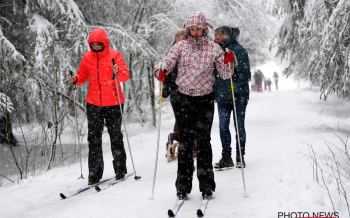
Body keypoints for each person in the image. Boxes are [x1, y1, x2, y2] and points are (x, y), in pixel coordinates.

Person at [155, 12, 234, 200]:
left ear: (204, 29)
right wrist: (162, 70)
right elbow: (168, 61)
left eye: (199, 29)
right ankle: (182, 186)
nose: (196, 32)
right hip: (184, 99)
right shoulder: (181, 46)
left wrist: (228, 62)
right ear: (188, 29)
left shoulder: (214, 48)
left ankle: (206, 185)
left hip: (205, 100)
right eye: (192, 29)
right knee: (186, 143)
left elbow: (224, 74)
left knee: (204, 142)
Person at [71, 27, 130, 185]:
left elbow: (125, 75)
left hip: (114, 102)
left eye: (99, 44)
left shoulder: (114, 56)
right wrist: (76, 79)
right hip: (94, 104)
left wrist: (118, 71)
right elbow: (82, 75)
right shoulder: (87, 58)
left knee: (115, 136)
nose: (96, 47)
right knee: (93, 138)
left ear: (105, 43)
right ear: (90, 44)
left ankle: (120, 168)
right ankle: (94, 173)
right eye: (93, 45)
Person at [214, 26, 251, 169]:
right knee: (223, 127)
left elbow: (246, 74)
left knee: (239, 125)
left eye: (219, 35)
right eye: (215, 35)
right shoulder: (215, 51)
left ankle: (240, 156)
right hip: (222, 96)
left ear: (227, 36)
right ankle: (226, 157)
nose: (216, 37)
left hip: (238, 95)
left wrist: (234, 75)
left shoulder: (239, 51)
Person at [162, 29, 187, 162]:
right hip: (176, 91)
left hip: (188, 91)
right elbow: (165, 71)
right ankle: (180, 143)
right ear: (175, 39)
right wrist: (166, 86)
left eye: (184, 38)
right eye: (179, 38)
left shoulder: (189, 52)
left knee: (184, 119)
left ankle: (175, 140)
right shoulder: (171, 53)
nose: (181, 41)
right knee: (182, 119)